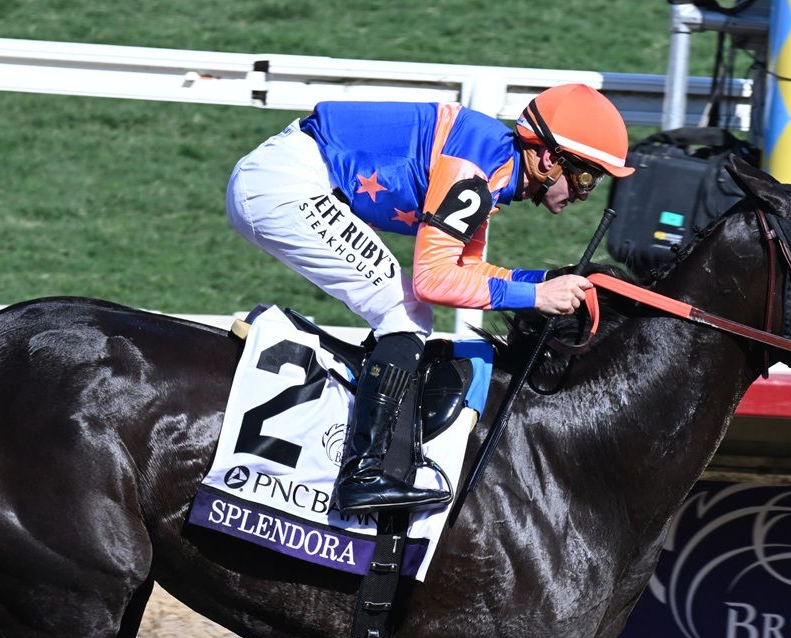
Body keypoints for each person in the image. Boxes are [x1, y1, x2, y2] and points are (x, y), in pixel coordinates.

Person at [226, 83, 634, 513]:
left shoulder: (489, 165)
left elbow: (467, 271)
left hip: (284, 180)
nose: (583, 194)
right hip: (284, 186)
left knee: (407, 310)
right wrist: (536, 294)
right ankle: (362, 473)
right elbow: (434, 281)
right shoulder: (474, 169)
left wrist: (552, 279)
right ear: (549, 158)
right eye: (586, 176)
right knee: (406, 310)